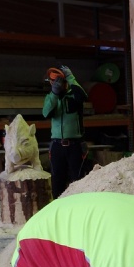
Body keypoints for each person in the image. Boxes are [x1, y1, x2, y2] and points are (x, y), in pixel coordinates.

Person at [42, 64, 89, 199]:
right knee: (57, 180)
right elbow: (46, 113)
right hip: (57, 145)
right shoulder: (51, 98)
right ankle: (58, 204)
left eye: (57, 81)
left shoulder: (74, 96)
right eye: (52, 82)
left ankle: (79, 205)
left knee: (78, 179)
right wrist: (54, 94)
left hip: (75, 145)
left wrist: (70, 77)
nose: (54, 84)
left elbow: (83, 96)